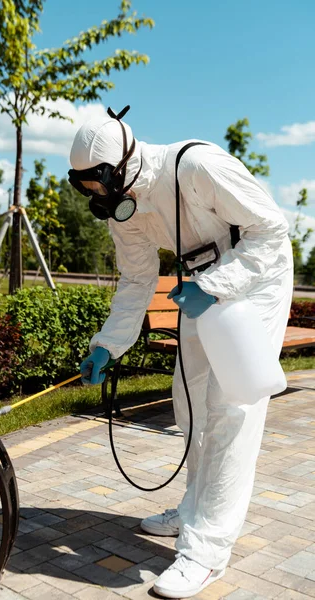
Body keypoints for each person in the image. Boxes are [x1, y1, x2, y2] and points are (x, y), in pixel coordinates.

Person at [68, 106, 293, 599]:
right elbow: (135, 280)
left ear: (122, 165)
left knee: (231, 410)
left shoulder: (195, 167)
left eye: (101, 186)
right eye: (88, 191)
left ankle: (206, 551)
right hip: (203, 285)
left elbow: (272, 231)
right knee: (189, 400)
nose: (101, 199)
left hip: (254, 280)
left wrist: (215, 285)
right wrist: (108, 344)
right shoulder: (122, 207)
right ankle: (194, 504)